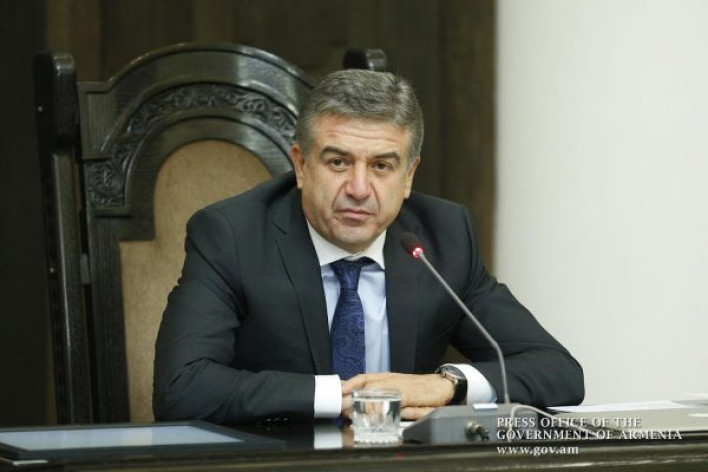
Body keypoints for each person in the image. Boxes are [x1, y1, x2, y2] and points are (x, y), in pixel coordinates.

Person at [153, 69, 584, 424]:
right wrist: (343, 397)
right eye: (338, 162)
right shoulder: (232, 235)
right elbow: (182, 388)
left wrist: (446, 384)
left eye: (381, 166)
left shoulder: (444, 237)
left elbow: (559, 371)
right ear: (301, 165)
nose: (359, 189)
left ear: (408, 176)